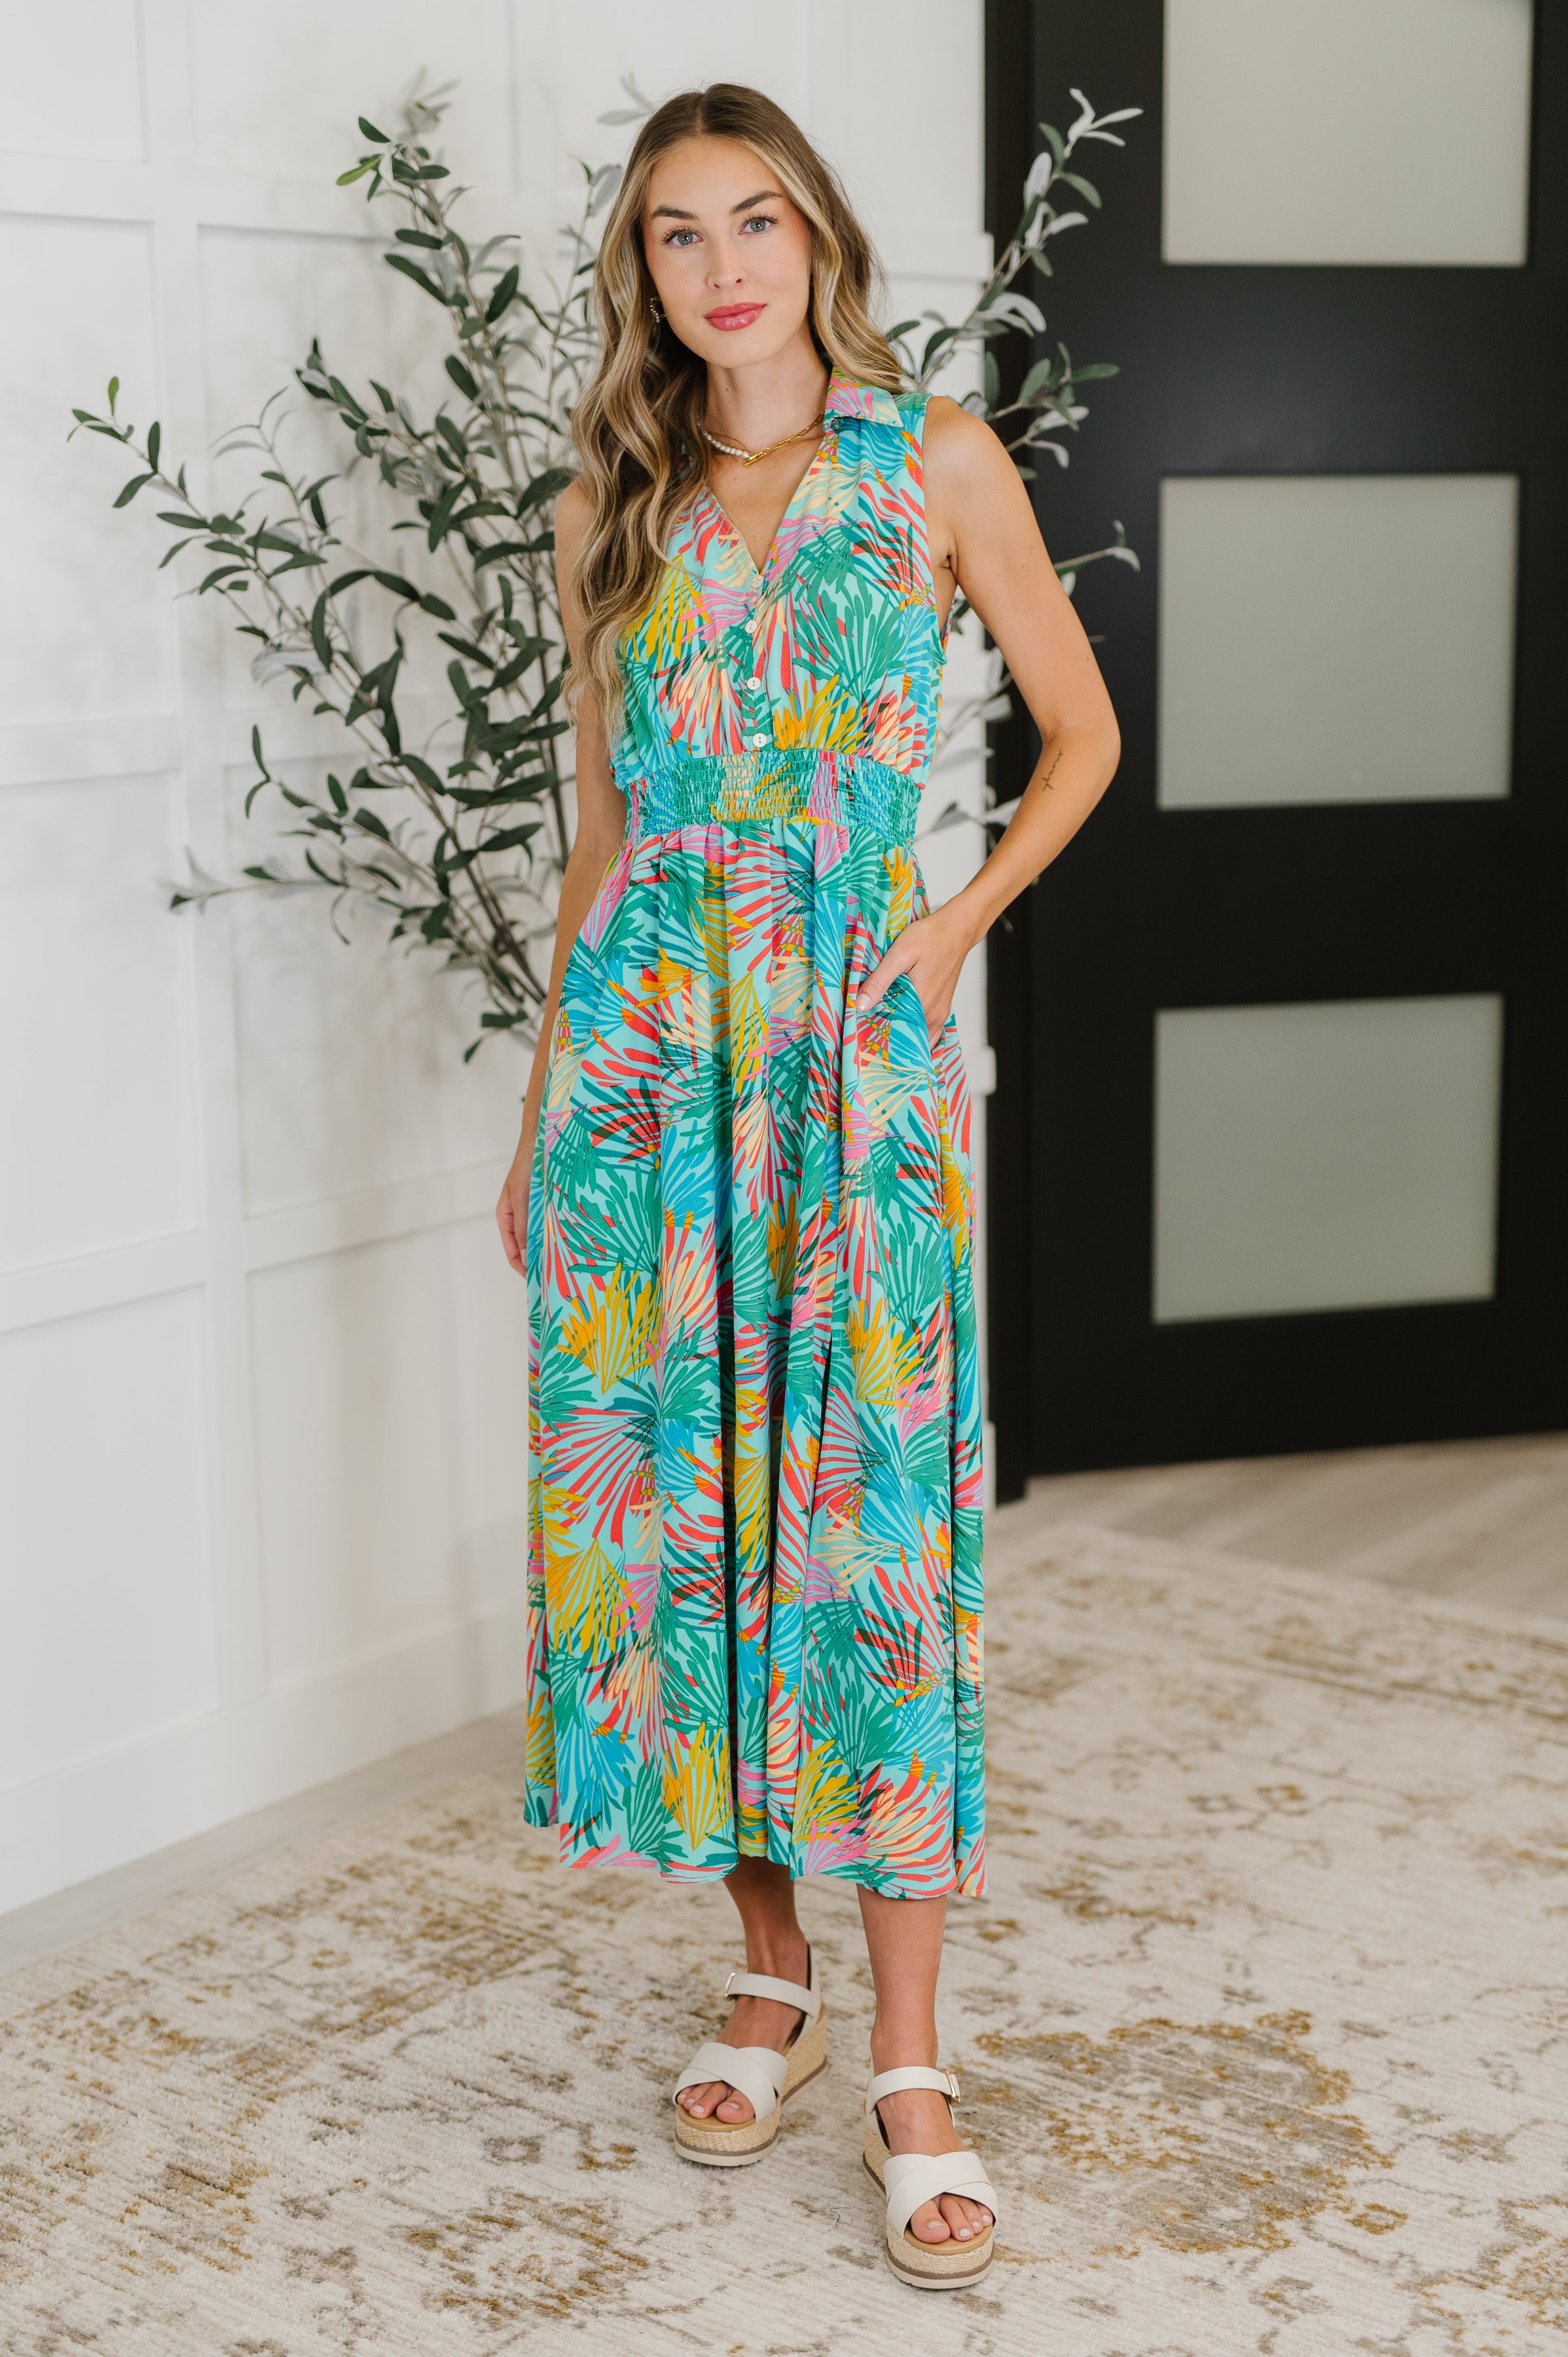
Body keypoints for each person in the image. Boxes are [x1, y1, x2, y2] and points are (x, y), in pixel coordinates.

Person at [496, 82, 1119, 2291]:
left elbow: (1081, 736)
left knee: (862, 1530)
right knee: (691, 1523)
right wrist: (545, 1102)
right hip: (646, 1069)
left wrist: (948, 932)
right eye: (676, 234)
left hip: (849, 1056)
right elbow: (600, 830)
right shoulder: (608, 502)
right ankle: (767, 1975)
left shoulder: (932, 460)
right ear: (641, 274)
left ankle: (910, 2061)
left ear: (819, 240)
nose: (721, 266)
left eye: (754, 221)